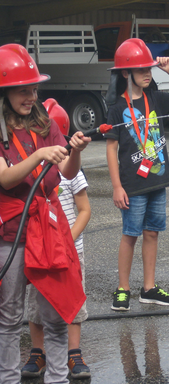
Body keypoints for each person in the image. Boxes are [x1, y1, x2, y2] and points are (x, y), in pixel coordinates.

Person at [0, 44, 90, 383]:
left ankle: (57, 379)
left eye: (34, 88)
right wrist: (39, 154)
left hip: (47, 232)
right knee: (9, 318)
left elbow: (66, 172)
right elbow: (5, 178)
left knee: (54, 317)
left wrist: (75, 151)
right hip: (11, 234)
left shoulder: (46, 124)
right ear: (4, 90)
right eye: (23, 89)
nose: (31, 95)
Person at [104, 38, 169, 311]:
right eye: (142, 69)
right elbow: (111, 150)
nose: (148, 74)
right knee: (130, 234)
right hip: (132, 185)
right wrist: (116, 186)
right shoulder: (116, 109)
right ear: (125, 73)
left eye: (150, 69)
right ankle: (123, 289)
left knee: (152, 233)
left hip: (158, 180)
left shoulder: (154, 98)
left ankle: (149, 288)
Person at [21, 99, 92, 380]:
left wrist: (64, 241)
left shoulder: (69, 168)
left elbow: (85, 210)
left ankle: (73, 353)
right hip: (39, 248)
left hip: (68, 248)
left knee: (71, 302)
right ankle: (38, 352)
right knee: (36, 303)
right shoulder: (31, 163)